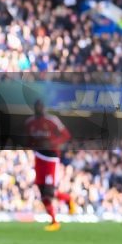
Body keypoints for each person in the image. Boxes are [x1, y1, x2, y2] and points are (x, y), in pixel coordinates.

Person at [24, 99, 75, 231]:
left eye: (41, 106)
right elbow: (29, 140)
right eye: (37, 106)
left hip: (51, 158)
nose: (39, 109)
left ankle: (66, 202)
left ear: (44, 108)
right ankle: (54, 221)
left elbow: (66, 135)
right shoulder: (30, 123)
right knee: (42, 191)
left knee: (49, 191)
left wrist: (53, 143)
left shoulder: (52, 120)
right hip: (38, 157)